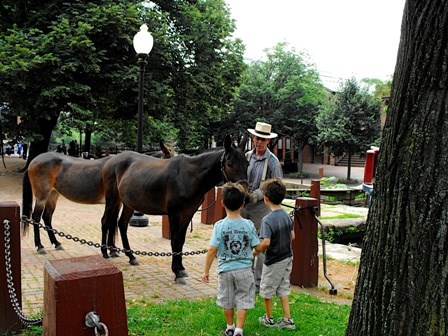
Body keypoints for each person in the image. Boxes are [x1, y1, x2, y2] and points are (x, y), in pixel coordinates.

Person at [202, 182, 261, 336]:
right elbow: (257, 246)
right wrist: (254, 253)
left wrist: (206, 270)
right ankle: (239, 330)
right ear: (242, 204)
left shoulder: (219, 226)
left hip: (225, 269)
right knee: (243, 299)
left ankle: (230, 327)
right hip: (244, 270)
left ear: (222, 204)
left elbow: (212, 249)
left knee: (227, 300)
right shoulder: (248, 225)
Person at [240, 121, 283, 291]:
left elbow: (277, 185)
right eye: (257, 138)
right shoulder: (246, 156)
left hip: (261, 209)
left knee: (261, 247)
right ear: (253, 138)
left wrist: (256, 195)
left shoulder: (273, 162)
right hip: (244, 207)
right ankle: (246, 279)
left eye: (263, 140)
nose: (259, 142)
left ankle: (258, 284)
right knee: (244, 243)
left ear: (268, 142)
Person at [257, 178, 296, 330]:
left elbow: (266, 242)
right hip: (287, 256)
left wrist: (257, 249)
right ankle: (287, 319)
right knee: (283, 287)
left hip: (273, 260)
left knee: (267, 289)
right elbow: (292, 236)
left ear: (265, 199)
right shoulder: (286, 215)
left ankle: (269, 318)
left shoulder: (267, 220)